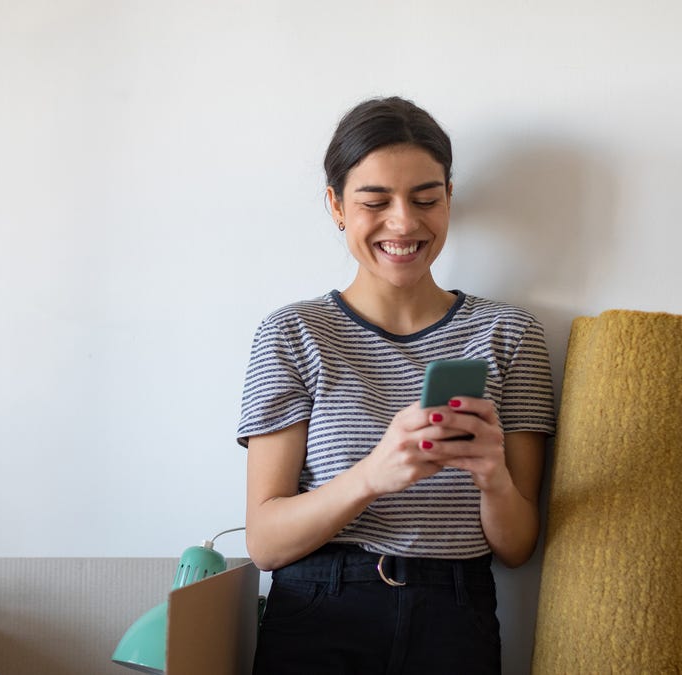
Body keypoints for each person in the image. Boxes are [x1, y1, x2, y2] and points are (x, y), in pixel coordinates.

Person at [236, 96, 556, 675]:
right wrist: (372, 475)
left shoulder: (509, 335)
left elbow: (516, 548)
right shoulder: (292, 333)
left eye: (426, 198)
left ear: (449, 198)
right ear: (336, 205)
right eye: (375, 201)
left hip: (456, 612)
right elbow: (266, 542)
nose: (404, 223)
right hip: (320, 607)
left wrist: (491, 476)